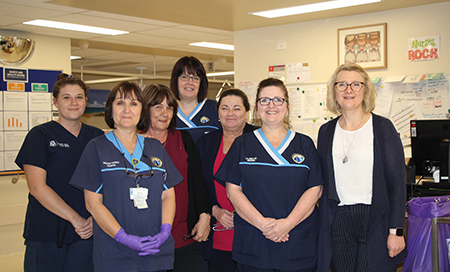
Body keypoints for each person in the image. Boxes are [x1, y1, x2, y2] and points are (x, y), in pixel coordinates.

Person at [70, 81, 183, 272]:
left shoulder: (155, 147)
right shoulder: (96, 148)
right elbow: (93, 204)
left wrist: (165, 231)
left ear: (142, 110)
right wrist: (123, 237)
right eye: (120, 103)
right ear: (110, 109)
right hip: (114, 252)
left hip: (154, 249)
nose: (127, 110)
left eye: (134, 103)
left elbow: (168, 195)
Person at [214, 78, 323, 272]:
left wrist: (287, 224)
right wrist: (263, 224)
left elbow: (315, 190)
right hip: (254, 243)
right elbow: (233, 191)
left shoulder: (304, 144)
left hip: (297, 244)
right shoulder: (242, 144)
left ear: (287, 106)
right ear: (257, 106)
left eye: (278, 100)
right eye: (264, 100)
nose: (271, 105)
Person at [317, 63, 406, 272]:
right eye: (342, 84)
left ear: (365, 90)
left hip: (375, 217)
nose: (349, 90)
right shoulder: (326, 131)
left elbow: (396, 184)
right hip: (339, 220)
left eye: (356, 84)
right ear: (334, 91)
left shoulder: (383, 128)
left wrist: (397, 230)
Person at [15, 73, 104, 272]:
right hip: (48, 234)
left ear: (86, 101)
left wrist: (95, 218)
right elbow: (37, 187)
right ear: (55, 102)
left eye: (79, 97)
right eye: (66, 97)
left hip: (87, 234)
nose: (74, 102)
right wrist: (76, 220)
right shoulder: (40, 135)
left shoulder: (96, 137)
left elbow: (107, 182)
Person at [141, 84, 211, 272]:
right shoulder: (132, 142)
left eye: (169, 107)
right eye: (158, 107)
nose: (164, 113)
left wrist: (204, 216)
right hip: (145, 239)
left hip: (183, 236)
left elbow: (197, 181)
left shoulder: (183, 139)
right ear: (145, 109)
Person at [197, 88, 256, 272]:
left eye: (237, 108)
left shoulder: (261, 140)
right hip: (219, 231)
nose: (230, 113)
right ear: (218, 114)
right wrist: (214, 210)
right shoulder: (206, 143)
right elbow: (198, 186)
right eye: (225, 108)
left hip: (255, 232)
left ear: (247, 113)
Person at [170, 56, 220, 142]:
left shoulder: (215, 109)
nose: (190, 82)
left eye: (196, 78)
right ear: (175, 80)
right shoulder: (168, 111)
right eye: (184, 77)